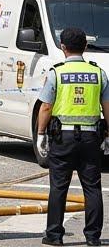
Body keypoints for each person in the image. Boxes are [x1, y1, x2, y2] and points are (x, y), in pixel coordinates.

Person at [37, 26, 109, 247]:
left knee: (59, 186)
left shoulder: (56, 73)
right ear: (85, 47)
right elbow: (107, 108)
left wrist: (41, 133)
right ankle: (93, 237)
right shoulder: (98, 73)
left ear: (63, 47)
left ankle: (54, 235)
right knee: (92, 187)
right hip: (90, 138)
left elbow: (46, 107)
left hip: (62, 138)